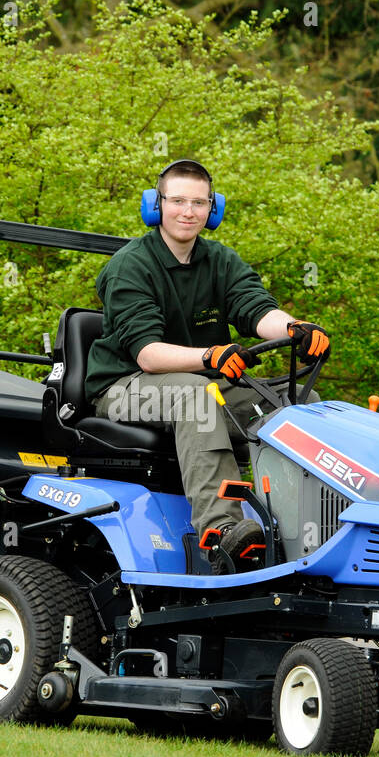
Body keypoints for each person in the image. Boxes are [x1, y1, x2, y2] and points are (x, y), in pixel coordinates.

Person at [83, 159, 331, 568]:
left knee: (294, 401)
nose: (188, 211)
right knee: (197, 396)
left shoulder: (220, 260)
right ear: (155, 205)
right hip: (123, 389)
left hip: (198, 379)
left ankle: (301, 527)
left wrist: (295, 328)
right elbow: (148, 353)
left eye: (199, 202)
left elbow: (255, 309)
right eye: (178, 200)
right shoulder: (130, 265)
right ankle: (223, 533)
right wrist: (210, 356)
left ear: (212, 210)